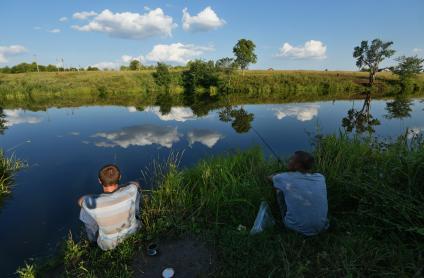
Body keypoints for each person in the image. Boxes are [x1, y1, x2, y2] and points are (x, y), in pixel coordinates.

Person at [78, 164, 141, 250]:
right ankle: (136, 215)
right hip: (133, 232)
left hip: (108, 244)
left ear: (99, 181)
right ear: (120, 177)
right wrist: (123, 187)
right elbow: (135, 184)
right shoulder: (130, 190)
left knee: (84, 210)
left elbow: (80, 201)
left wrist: (97, 196)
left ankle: (93, 241)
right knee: (137, 193)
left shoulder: (95, 203)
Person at [268, 151, 328, 236]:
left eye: (292, 159)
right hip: (322, 227)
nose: (289, 160)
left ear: (298, 165)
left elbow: (269, 178)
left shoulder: (284, 178)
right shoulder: (320, 177)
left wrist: (282, 174)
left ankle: (286, 220)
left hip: (294, 228)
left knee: (279, 189)